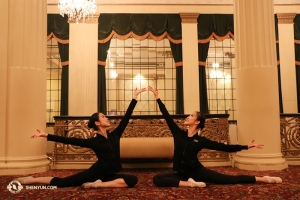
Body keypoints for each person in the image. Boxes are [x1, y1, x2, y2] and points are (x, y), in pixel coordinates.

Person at [147, 86, 282, 188]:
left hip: (197, 172)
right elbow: (167, 117)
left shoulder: (200, 141)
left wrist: (247, 146)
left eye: (192, 116)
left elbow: (224, 147)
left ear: (197, 122)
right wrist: (157, 98)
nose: (188, 117)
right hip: (181, 174)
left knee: (229, 180)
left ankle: (263, 179)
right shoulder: (178, 134)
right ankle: (189, 184)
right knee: (157, 179)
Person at [15, 88, 147, 188]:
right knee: (63, 183)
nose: (106, 117)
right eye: (103, 116)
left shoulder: (115, 135)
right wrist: (47, 135)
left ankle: (96, 185)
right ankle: (30, 180)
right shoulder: (94, 141)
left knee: (132, 180)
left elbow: (126, 118)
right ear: (97, 123)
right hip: (96, 173)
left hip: (111, 175)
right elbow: (70, 140)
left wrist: (134, 98)